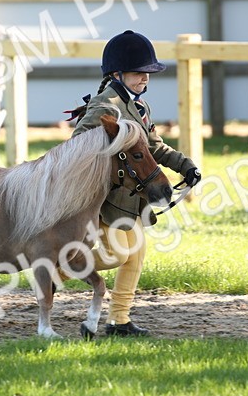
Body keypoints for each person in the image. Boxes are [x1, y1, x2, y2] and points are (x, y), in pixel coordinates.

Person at [67, 30, 201, 337]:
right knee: (117, 256)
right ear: (117, 74)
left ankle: (119, 321)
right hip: (106, 199)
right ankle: (60, 268)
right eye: (138, 74)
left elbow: (154, 148)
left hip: (133, 198)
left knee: (135, 256)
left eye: (148, 74)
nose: (145, 80)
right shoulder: (105, 106)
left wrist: (186, 166)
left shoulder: (140, 108)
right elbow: (77, 146)